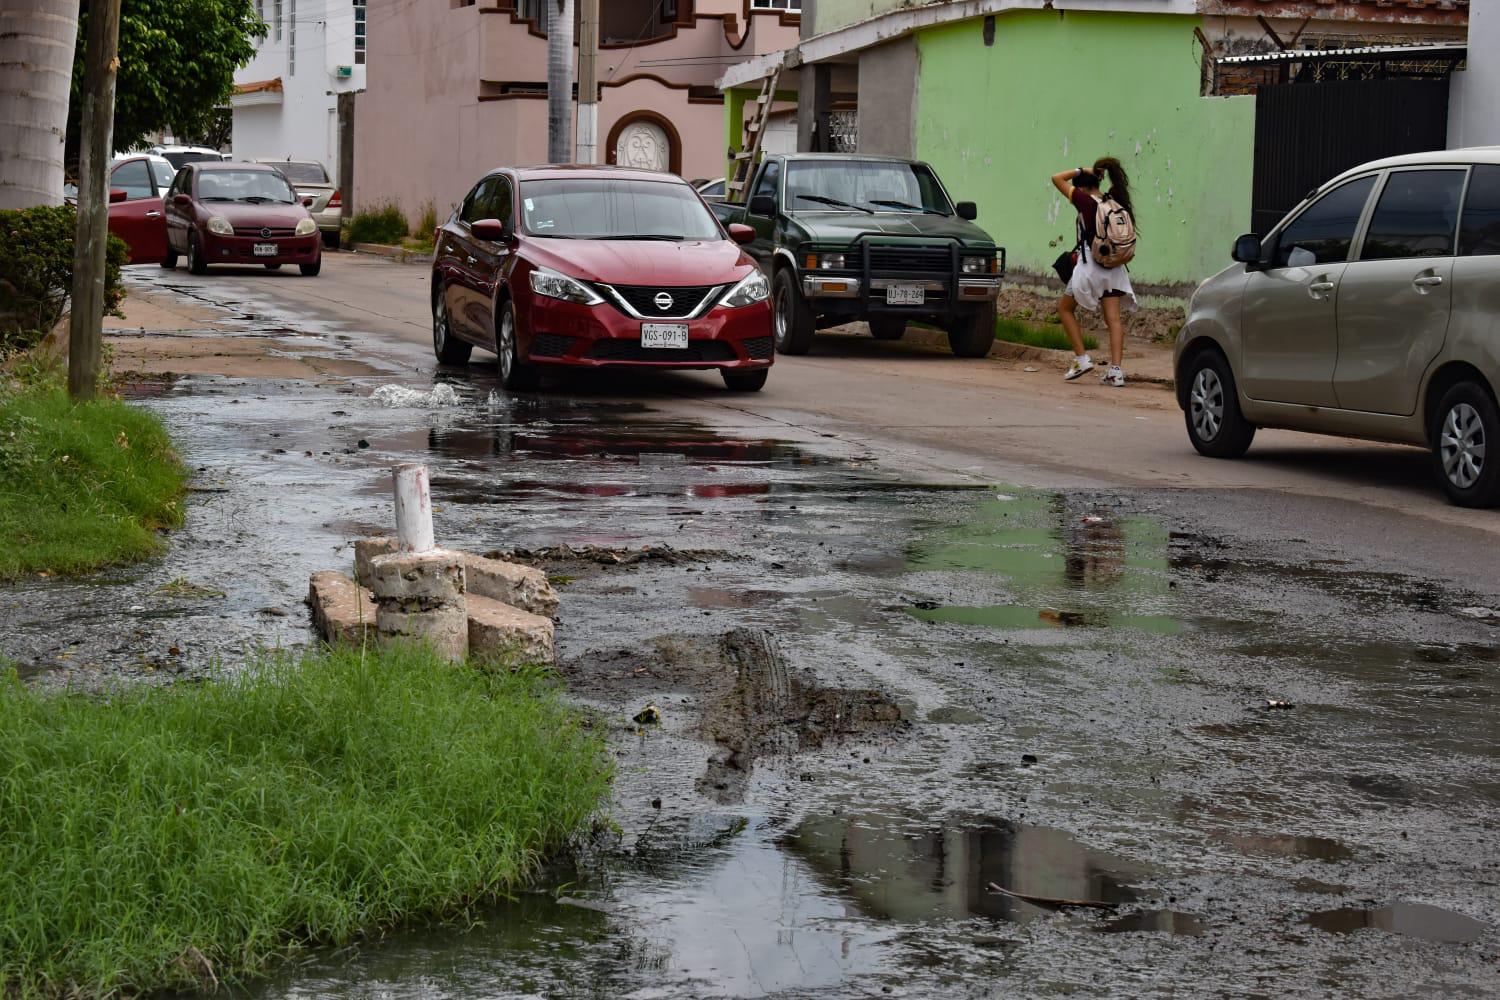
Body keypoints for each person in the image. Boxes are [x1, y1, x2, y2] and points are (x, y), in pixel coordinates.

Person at [1050, 158, 1136, 387]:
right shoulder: (1114, 200)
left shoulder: (1084, 201)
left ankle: (1081, 358)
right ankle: (1116, 371)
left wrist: (1081, 170)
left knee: (1065, 309)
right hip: (1115, 268)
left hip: (1091, 267)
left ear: (1081, 187)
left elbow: (1056, 178)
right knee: (1114, 319)